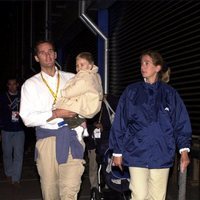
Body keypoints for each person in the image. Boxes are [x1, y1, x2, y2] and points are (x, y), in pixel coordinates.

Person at [109, 50, 192, 200]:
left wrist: (184, 151)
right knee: (139, 195)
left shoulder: (169, 94)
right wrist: (117, 152)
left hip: (162, 153)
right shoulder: (131, 91)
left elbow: (181, 122)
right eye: (141, 64)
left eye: (147, 63)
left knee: (157, 197)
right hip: (136, 152)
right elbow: (120, 122)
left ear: (158, 68)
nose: (142, 67)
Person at [19, 40, 85, 200]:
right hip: (47, 140)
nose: (47, 55)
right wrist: (55, 113)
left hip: (71, 138)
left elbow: (85, 103)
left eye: (50, 51)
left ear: (55, 54)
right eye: (42, 52)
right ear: (36, 58)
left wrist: (82, 125)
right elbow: (27, 118)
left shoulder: (71, 78)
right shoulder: (30, 84)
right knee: (50, 192)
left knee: (70, 191)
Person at [48, 52, 103, 140]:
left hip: (83, 103)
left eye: (82, 65)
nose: (79, 68)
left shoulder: (85, 76)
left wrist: (63, 93)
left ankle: (78, 129)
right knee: (77, 115)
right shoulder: (94, 75)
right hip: (89, 104)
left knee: (67, 108)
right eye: (77, 65)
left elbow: (76, 88)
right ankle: (83, 129)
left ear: (90, 66)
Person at [0, 77, 25, 186]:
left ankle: (16, 178)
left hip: (19, 129)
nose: (12, 86)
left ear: (17, 85)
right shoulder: (2, 97)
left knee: (18, 154)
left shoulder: (23, 96)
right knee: (7, 153)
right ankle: (8, 173)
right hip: (6, 129)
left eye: (14, 84)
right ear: (7, 85)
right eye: (10, 84)